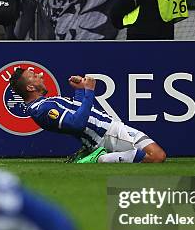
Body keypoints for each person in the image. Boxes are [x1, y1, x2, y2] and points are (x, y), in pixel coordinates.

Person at [9, 68, 166, 163]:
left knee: (156, 155)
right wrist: (89, 91)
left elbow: (77, 112)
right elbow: (77, 124)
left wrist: (79, 90)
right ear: (30, 87)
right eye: (34, 76)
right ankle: (101, 158)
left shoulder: (43, 104)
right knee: (157, 156)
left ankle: (100, 156)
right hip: (107, 133)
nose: (40, 75)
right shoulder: (42, 109)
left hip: (109, 129)